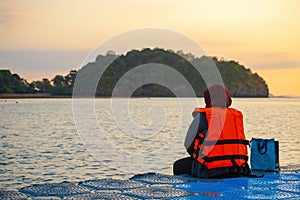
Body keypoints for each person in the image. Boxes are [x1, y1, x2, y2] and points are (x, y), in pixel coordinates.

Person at [173, 84, 251, 178]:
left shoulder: (203, 116)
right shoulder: (236, 116)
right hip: (238, 169)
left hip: (209, 171)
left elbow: (188, 144)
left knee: (178, 166)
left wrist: (196, 155)